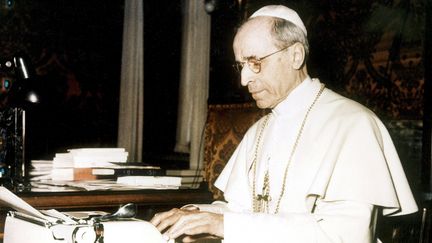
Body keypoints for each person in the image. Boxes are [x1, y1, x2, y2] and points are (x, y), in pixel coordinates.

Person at [150, 5, 418, 243]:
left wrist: (223, 224)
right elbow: (242, 212)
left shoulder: (353, 124)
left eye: (255, 62)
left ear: (295, 56)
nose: (244, 79)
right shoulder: (259, 130)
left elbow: (345, 235)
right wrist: (198, 215)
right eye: (240, 65)